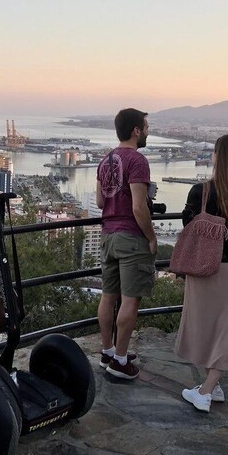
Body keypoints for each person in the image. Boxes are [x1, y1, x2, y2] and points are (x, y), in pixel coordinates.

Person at [175, 134, 228, 412]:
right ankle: (214, 384)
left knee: (203, 323)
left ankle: (206, 391)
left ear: (219, 157)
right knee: (225, 325)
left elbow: (187, 222)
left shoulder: (201, 191)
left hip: (205, 266)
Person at [96, 108, 157, 380]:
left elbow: (100, 202)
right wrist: (152, 236)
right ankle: (120, 361)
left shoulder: (105, 159)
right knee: (130, 300)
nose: (147, 131)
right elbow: (138, 206)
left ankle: (108, 351)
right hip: (131, 237)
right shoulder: (137, 160)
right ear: (136, 130)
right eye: (145, 127)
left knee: (108, 297)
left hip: (108, 235)